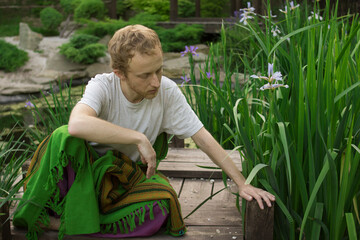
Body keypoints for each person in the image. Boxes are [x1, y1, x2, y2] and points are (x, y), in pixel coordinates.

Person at [14, 24, 275, 239]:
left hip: (124, 182)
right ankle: (63, 217)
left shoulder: (167, 91)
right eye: (145, 75)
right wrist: (138, 137)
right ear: (120, 73)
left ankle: (71, 223)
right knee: (63, 138)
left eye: (160, 70)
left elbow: (202, 137)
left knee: (164, 204)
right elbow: (77, 125)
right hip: (82, 176)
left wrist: (241, 183)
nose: (156, 82)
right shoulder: (103, 86)